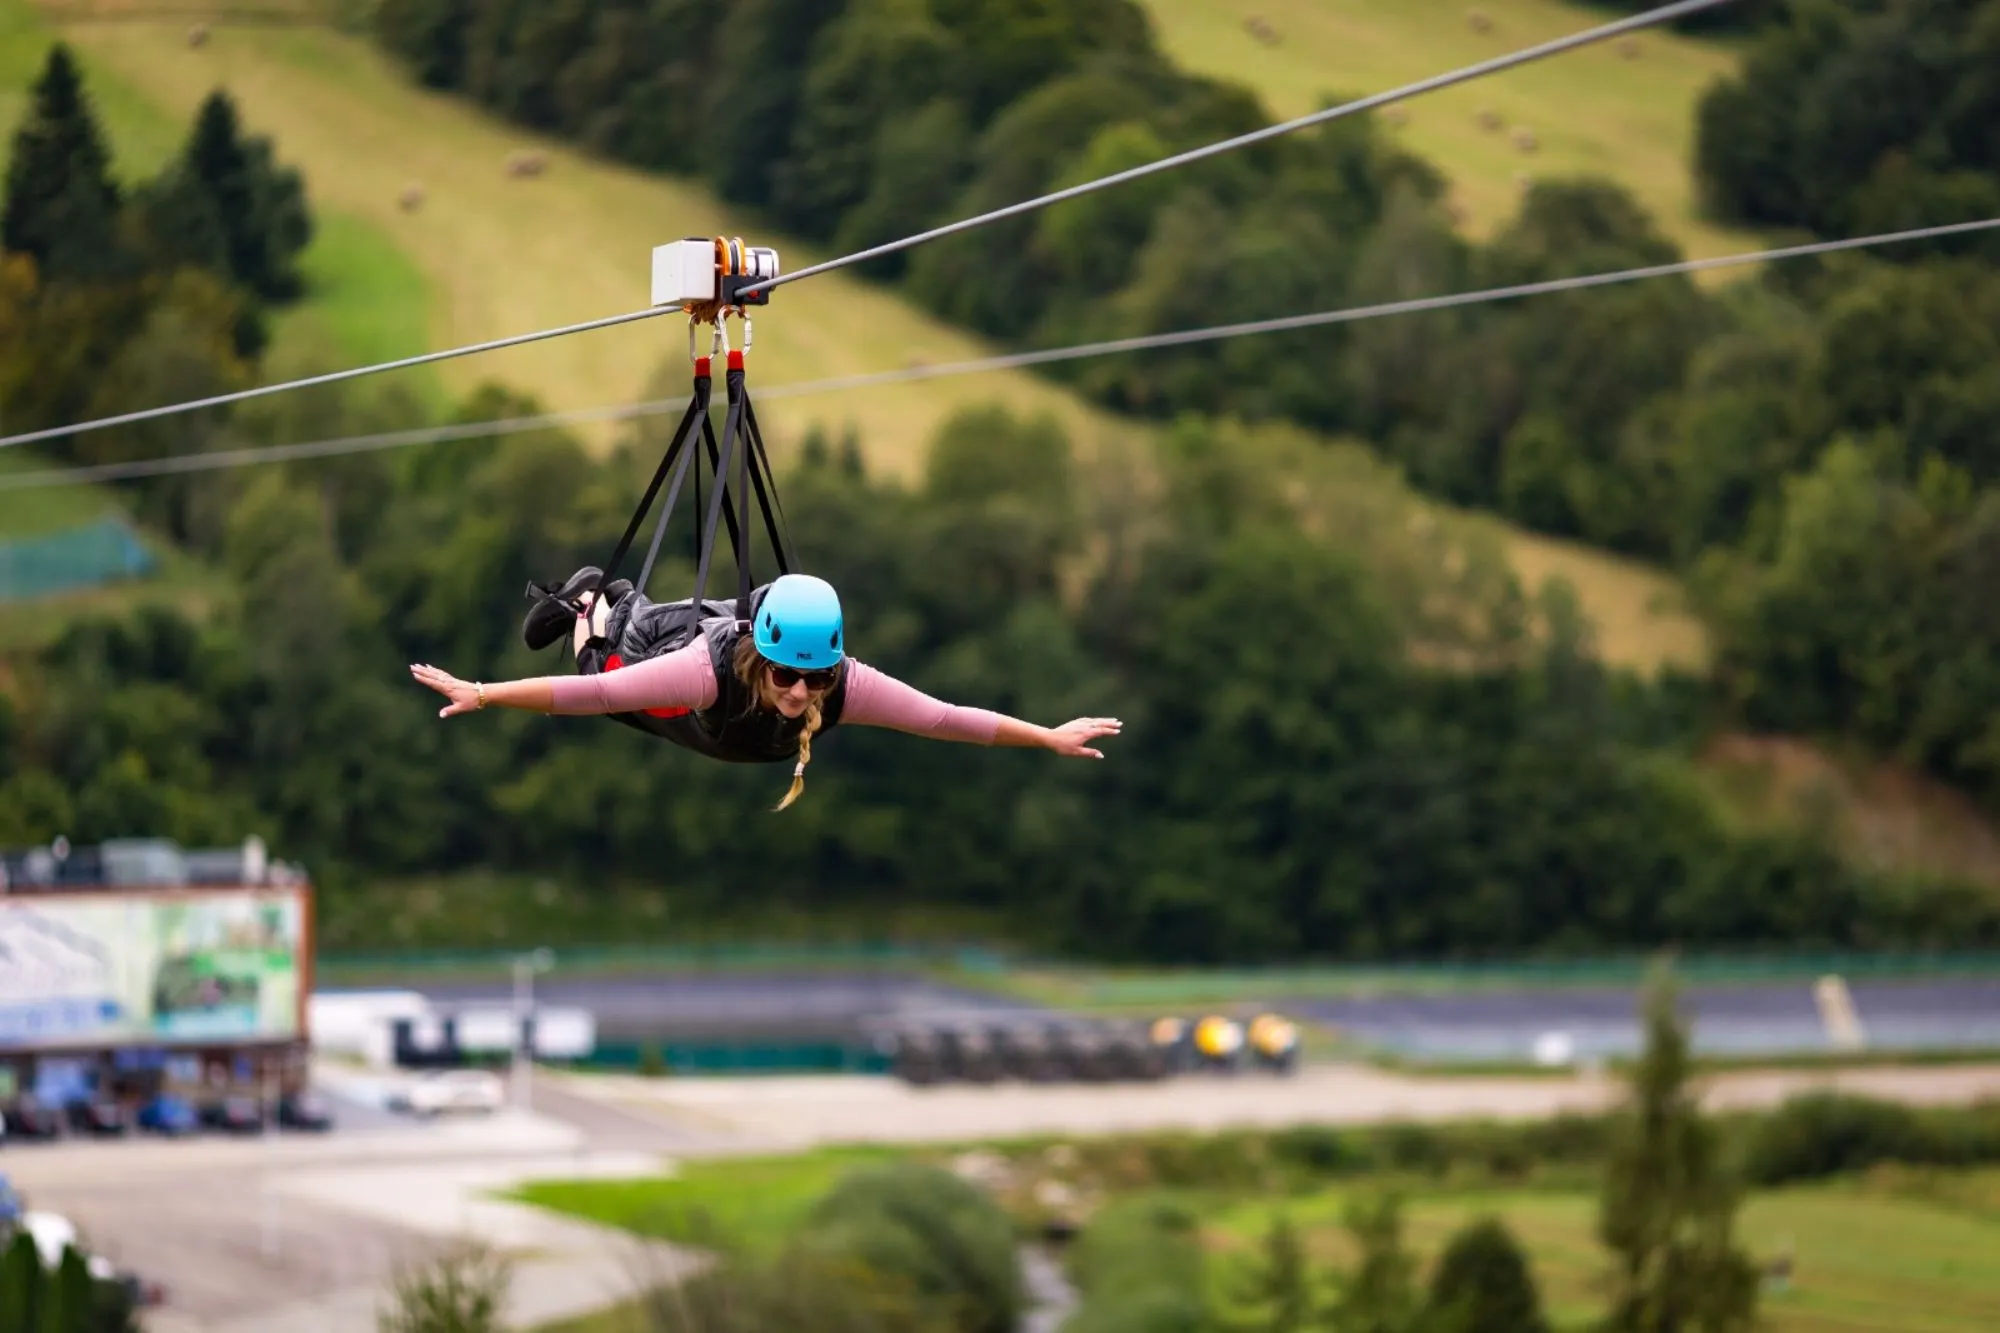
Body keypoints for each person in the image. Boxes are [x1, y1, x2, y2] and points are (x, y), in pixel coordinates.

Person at [409, 567, 1122, 809]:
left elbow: (943, 718)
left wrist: (1045, 736)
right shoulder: (706, 671)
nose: (799, 693)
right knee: (603, 672)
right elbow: (585, 700)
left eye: (814, 679)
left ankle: (610, 600)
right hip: (680, 661)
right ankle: (593, 595)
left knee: (632, 671)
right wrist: (485, 691)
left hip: (730, 661)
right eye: (788, 675)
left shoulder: (840, 684)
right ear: (767, 659)